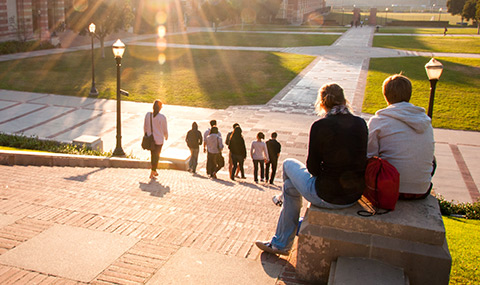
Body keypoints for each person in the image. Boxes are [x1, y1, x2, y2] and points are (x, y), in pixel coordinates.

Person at [255, 83, 368, 256]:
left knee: (288, 164)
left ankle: (281, 230)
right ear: (344, 100)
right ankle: (280, 242)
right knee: (290, 187)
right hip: (353, 195)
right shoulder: (361, 124)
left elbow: (313, 169)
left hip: (327, 195)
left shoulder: (321, 126)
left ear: (322, 103)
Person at [367, 74, 435, 200]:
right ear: (409, 94)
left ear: (385, 95)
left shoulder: (379, 121)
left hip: (387, 187)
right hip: (421, 190)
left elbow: (369, 155)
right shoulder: (425, 121)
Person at [144, 100, 168, 179]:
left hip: (151, 139)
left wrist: (146, 134)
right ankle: (153, 171)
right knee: (156, 156)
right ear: (160, 108)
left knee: (152, 155)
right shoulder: (162, 117)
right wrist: (166, 135)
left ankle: (153, 170)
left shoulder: (148, 115)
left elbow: (145, 126)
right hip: (159, 139)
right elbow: (165, 129)